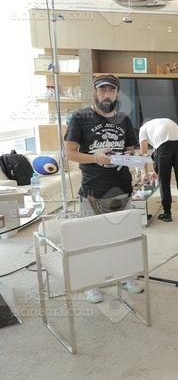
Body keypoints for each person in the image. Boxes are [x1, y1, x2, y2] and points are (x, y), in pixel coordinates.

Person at [64, 74, 143, 303]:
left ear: (117, 93)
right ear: (95, 92)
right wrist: (95, 157)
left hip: (121, 188)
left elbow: (130, 148)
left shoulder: (124, 119)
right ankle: (92, 284)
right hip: (93, 190)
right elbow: (70, 153)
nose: (106, 94)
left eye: (111, 90)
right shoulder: (80, 117)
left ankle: (125, 277)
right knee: (91, 241)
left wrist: (130, 155)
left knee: (124, 238)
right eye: (102, 90)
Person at [138, 118, 178, 225]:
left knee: (164, 181)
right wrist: (157, 171)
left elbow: (143, 154)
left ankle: (167, 213)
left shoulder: (143, 128)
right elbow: (171, 145)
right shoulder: (166, 122)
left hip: (163, 147)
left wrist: (144, 173)